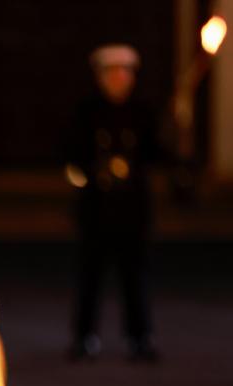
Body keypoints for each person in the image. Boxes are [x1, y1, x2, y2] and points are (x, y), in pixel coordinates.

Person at [64, 44, 166, 362]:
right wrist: (95, 171)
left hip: (133, 210)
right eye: (112, 72)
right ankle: (84, 336)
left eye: (126, 72)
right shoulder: (86, 112)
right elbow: (71, 156)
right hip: (97, 208)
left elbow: (156, 153)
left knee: (135, 276)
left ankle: (139, 337)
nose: (120, 78)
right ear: (101, 76)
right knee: (90, 275)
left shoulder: (143, 112)